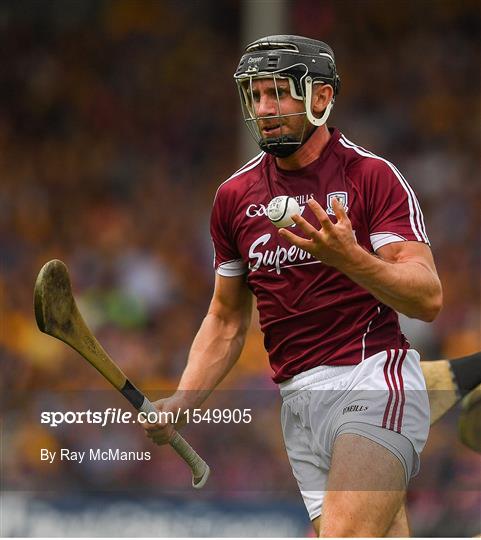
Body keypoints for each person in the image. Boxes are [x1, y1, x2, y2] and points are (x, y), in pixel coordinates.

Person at [144, 34, 457, 537]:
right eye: (256, 94)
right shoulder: (234, 197)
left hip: (372, 379)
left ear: (321, 97)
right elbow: (225, 318)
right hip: (298, 404)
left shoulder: (370, 177)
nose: (264, 108)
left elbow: (428, 297)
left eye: (279, 92)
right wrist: (184, 398)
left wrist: (350, 258)